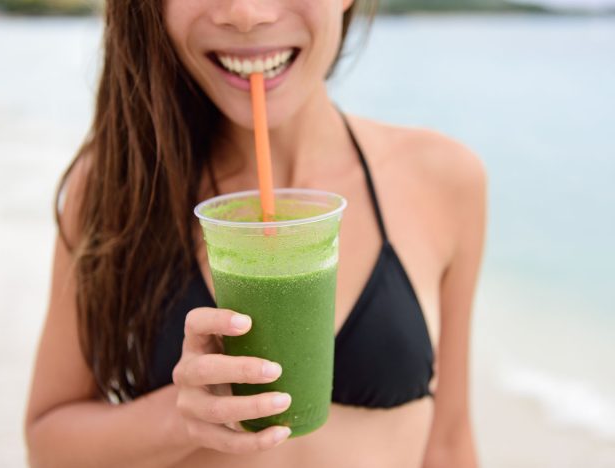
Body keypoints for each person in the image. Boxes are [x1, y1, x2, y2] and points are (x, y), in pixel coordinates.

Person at [24, 0, 486, 467]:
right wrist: (179, 419)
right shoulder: (118, 186)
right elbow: (47, 444)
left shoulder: (444, 179)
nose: (246, 13)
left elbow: (448, 441)